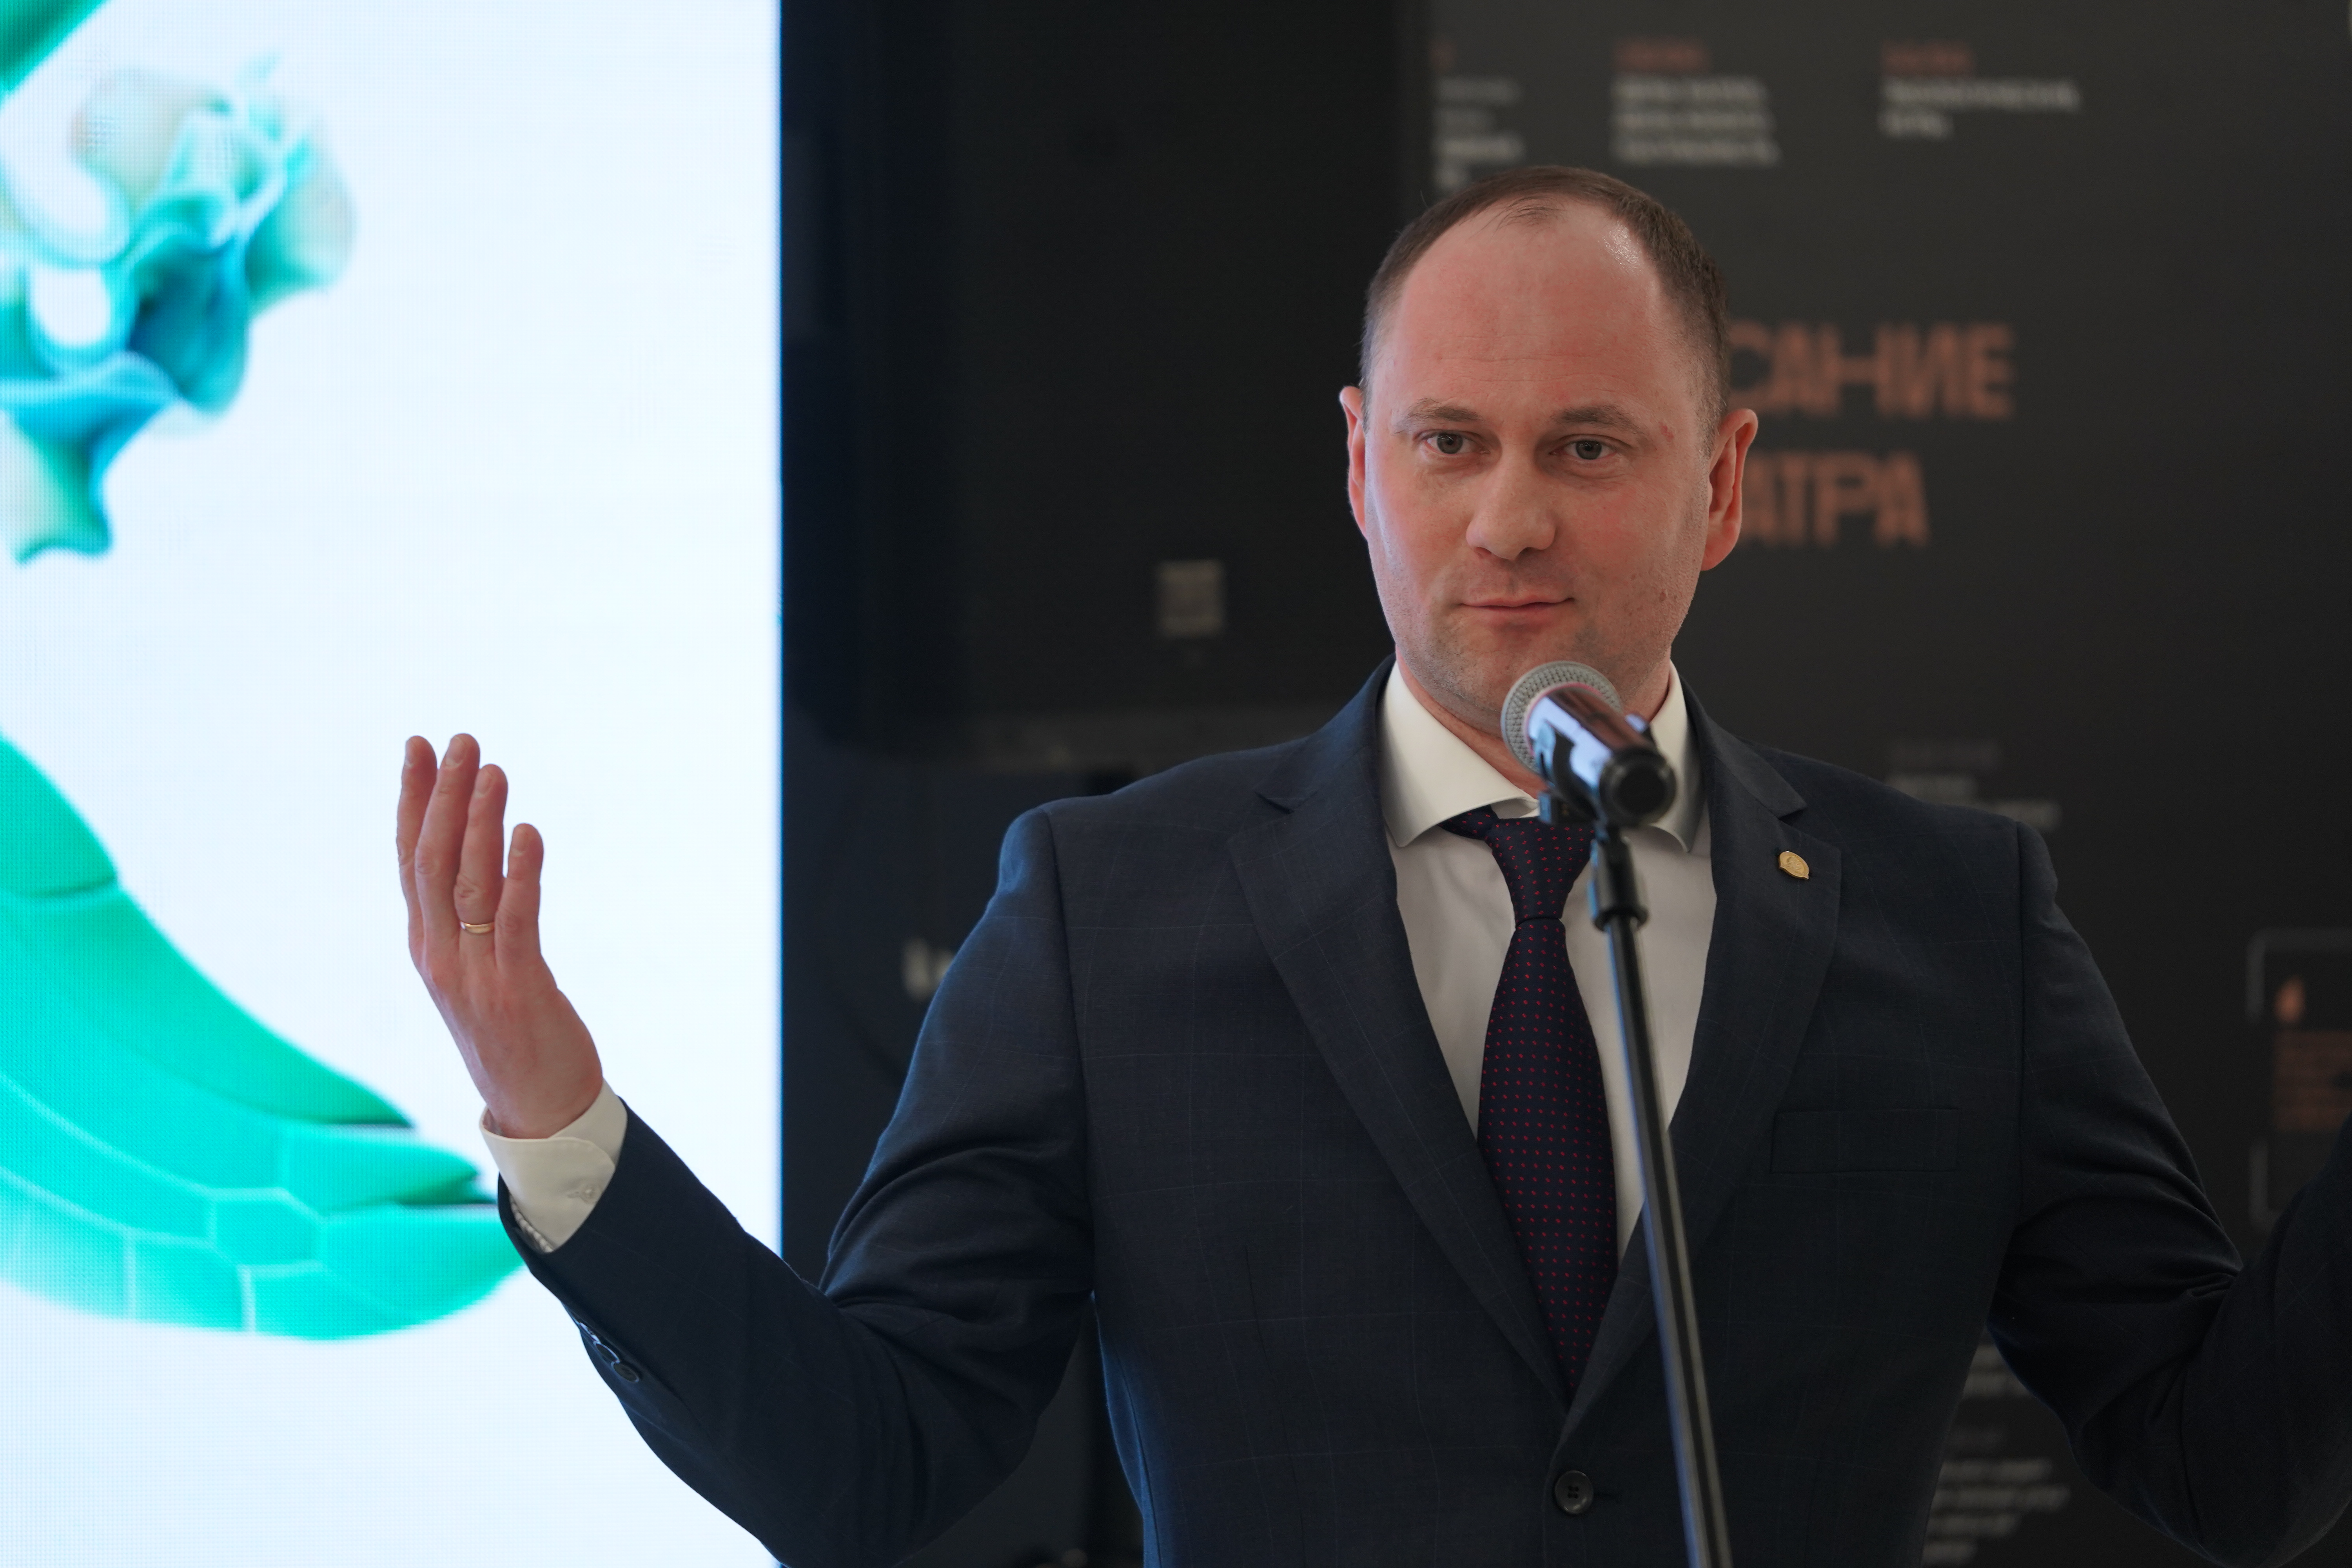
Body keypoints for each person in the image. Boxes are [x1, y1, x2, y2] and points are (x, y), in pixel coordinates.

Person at [394, 167, 2352, 1566]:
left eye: (1589, 448)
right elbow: (868, 1464)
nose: (1509, 519)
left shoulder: (1955, 918)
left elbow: (2226, 1458)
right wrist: (559, 1127)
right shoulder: (1105, 913)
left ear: (1724, 482)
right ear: (1358, 465)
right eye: (1449, 443)